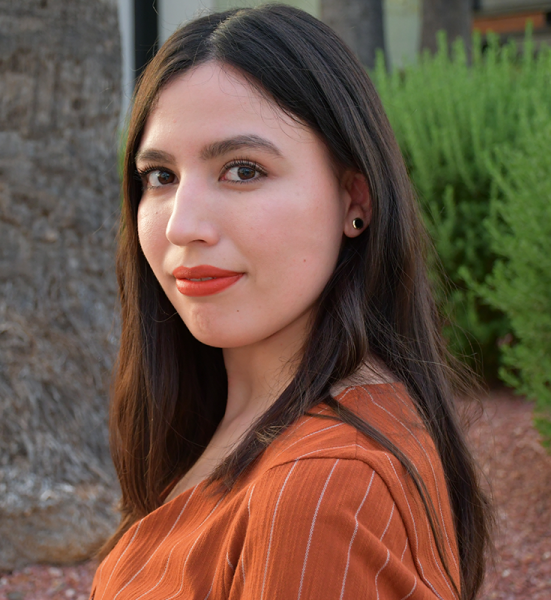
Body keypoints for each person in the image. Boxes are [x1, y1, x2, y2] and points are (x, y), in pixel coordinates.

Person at [90, 4, 491, 599]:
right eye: (161, 176)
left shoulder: (321, 489)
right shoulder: (238, 421)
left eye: (242, 170)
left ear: (355, 199)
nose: (182, 225)